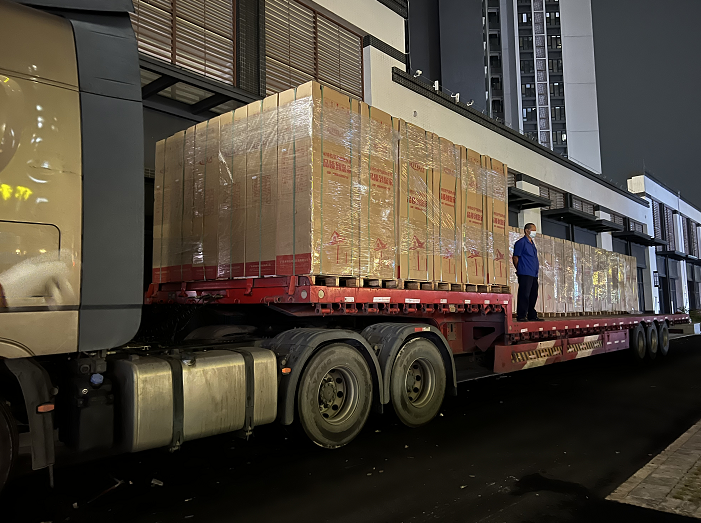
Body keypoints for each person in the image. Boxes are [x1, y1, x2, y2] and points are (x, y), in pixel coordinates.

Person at [512, 223, 543, 322]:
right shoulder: (521, 243)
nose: (534, 232)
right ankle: (521, 315)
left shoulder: (532, 244)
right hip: (525, 272)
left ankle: (532, 315)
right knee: (524, 294)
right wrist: (519, 269)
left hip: (533, 273)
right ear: (526, 230)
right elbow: (515, 257)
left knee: (533, 294)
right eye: (533, 230)